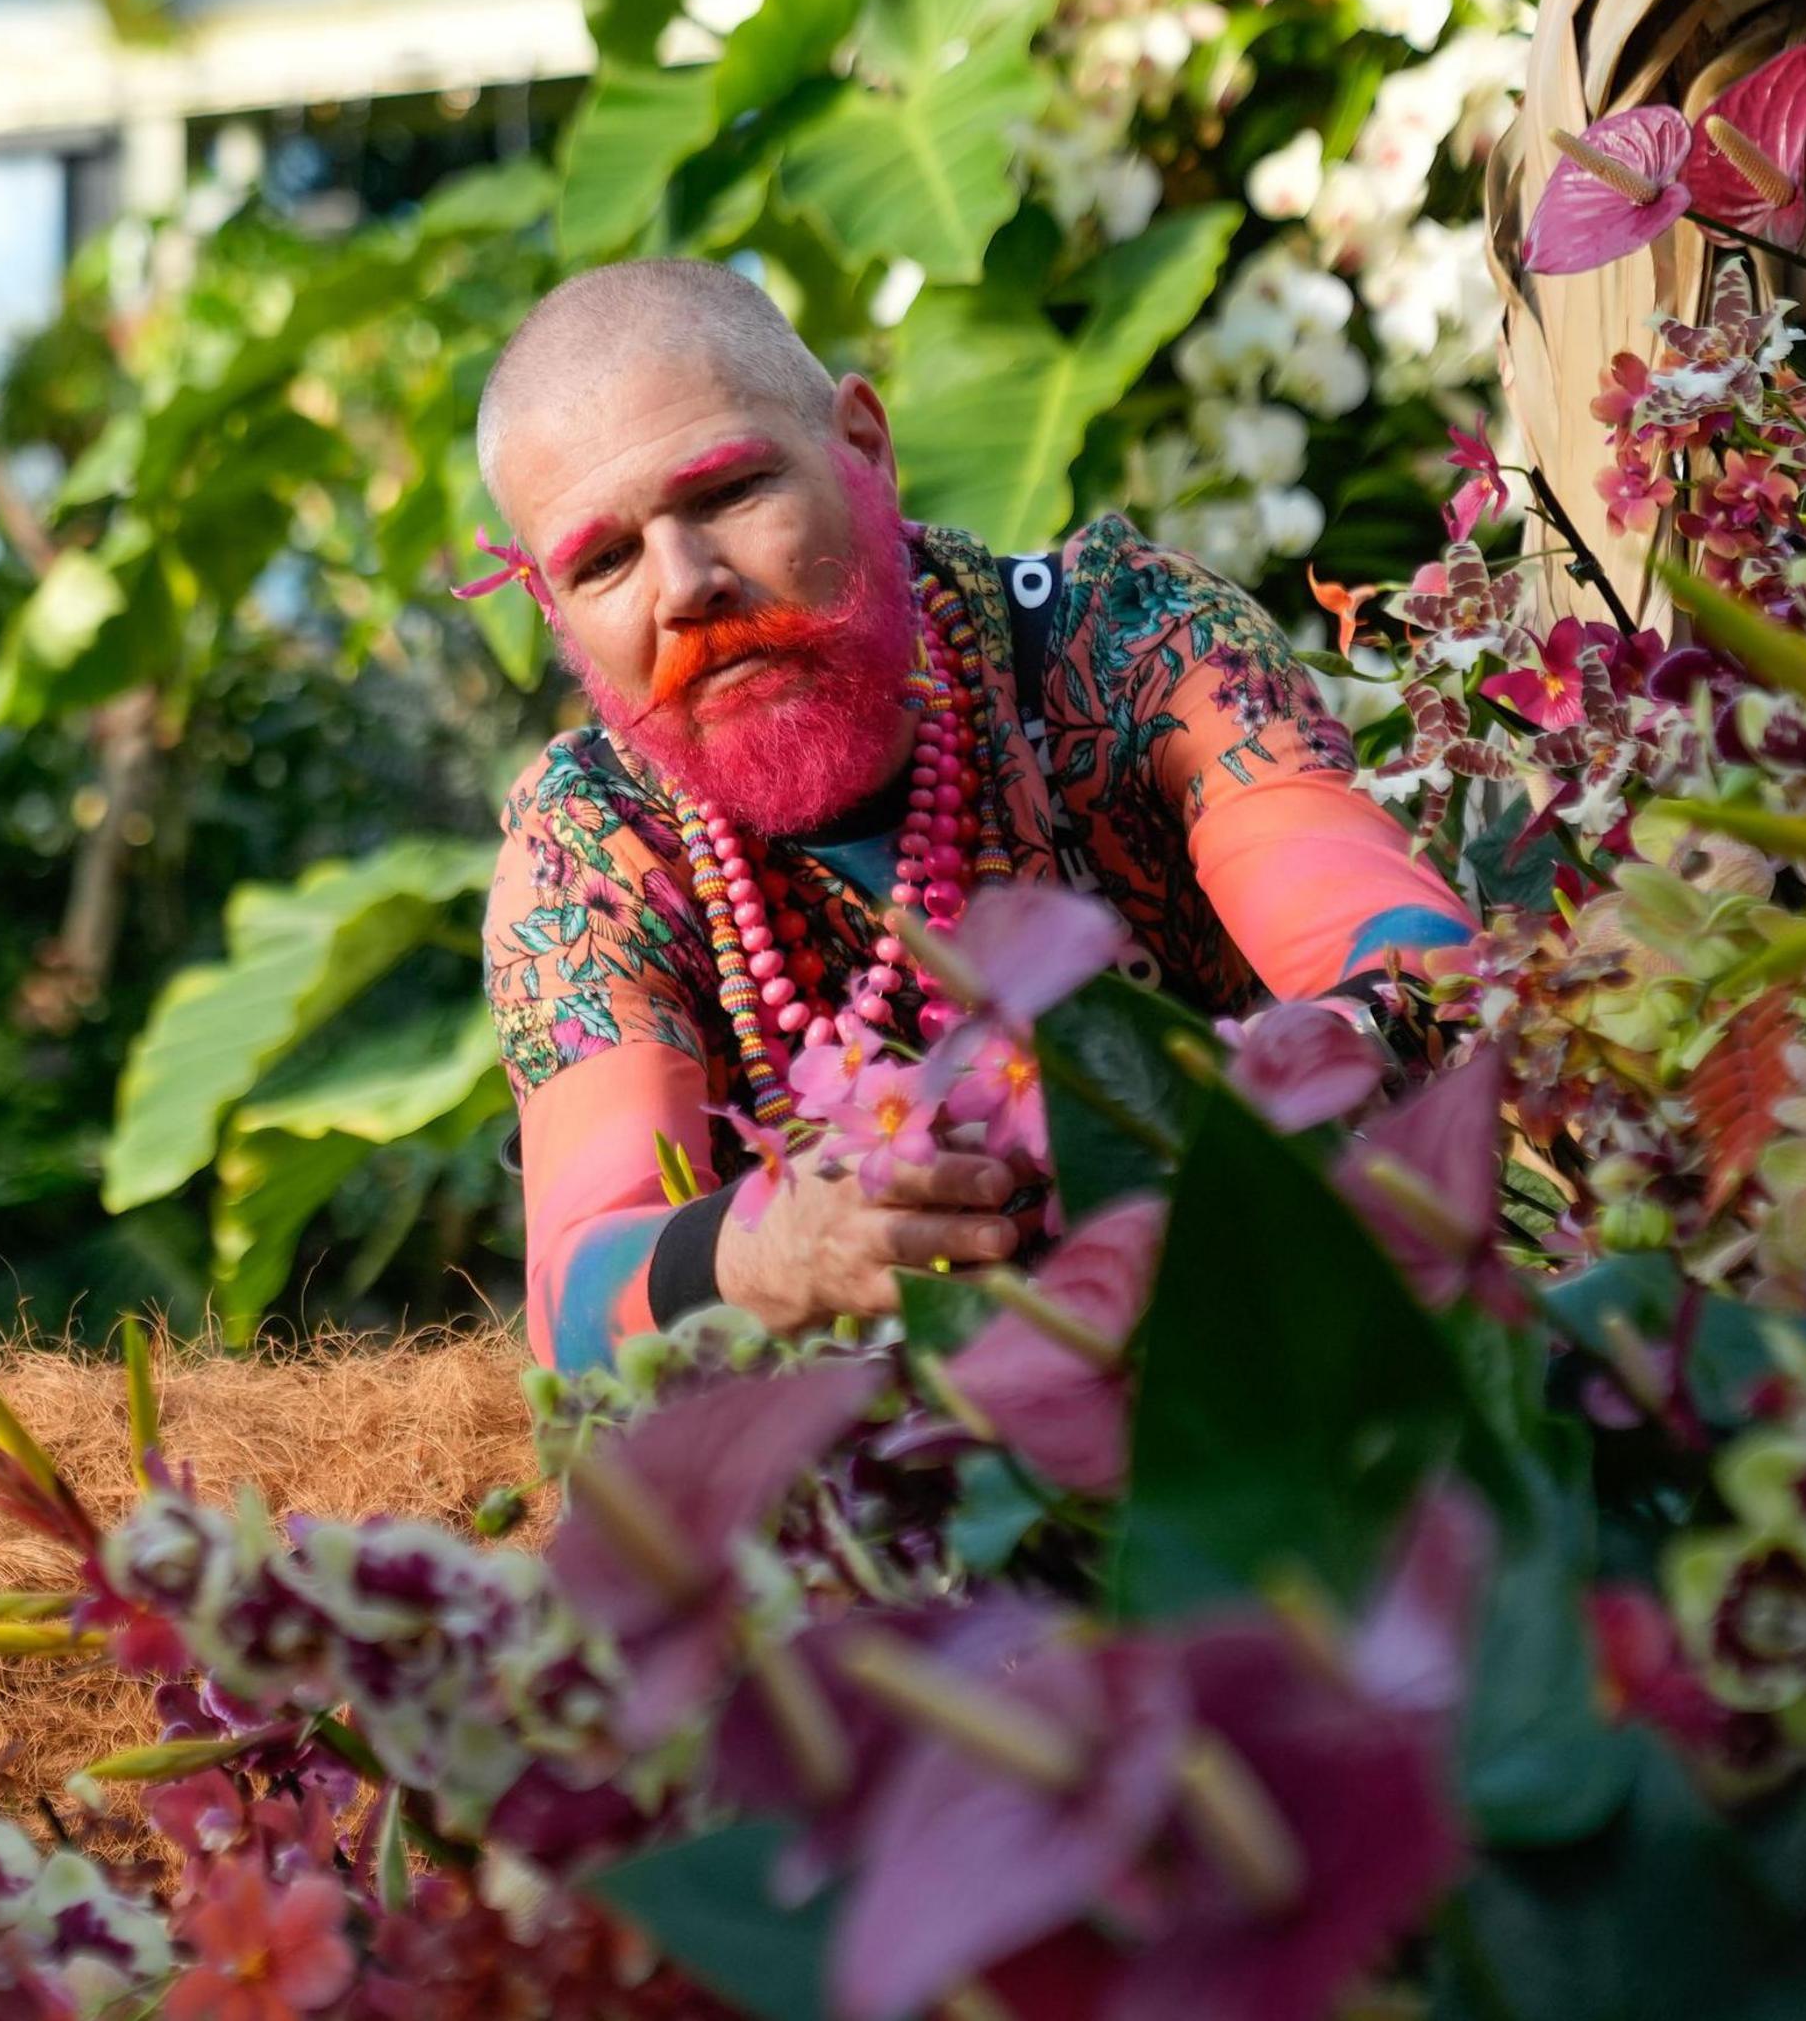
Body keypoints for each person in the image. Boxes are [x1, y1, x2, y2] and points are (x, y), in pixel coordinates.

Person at [473, 259, 1473, 1372]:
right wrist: (769, 1252)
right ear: (549, 608)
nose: (684, 583)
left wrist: (1275, 1089)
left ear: (865, 444)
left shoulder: (1129, 638)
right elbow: (577, 1296)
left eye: (727, 492)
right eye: (604, 560)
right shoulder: (592, 851)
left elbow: (1420, 961)